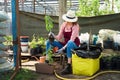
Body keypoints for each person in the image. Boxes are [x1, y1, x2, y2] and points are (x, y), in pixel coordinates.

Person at [46, 10, 80, 75]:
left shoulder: (75, 26)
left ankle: (68, 66)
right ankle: (47, 60)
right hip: (65, 44)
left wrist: (62, 49)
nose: (68, 21)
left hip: (74, 45)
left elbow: (72, 40)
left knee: (70, 43)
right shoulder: (64, 24)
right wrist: (53, 35)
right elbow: (59, 37)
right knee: (48, 42)